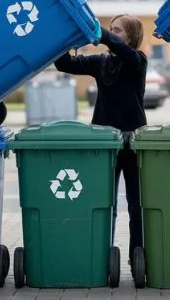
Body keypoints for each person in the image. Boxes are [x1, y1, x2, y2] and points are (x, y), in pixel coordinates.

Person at [54, 13, 146, 261]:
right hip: (105, 143)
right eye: (111, 28)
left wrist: (102, 34)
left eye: (118, 30)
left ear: (132, 37)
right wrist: (65, 39)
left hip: (135, 142)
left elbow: (122, 52)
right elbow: (65, 65)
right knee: (105, 205)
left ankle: (138, 257)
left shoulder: (138, 61)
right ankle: (103, 256)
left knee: (137, 206)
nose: (113, 33)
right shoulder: (101, 62)